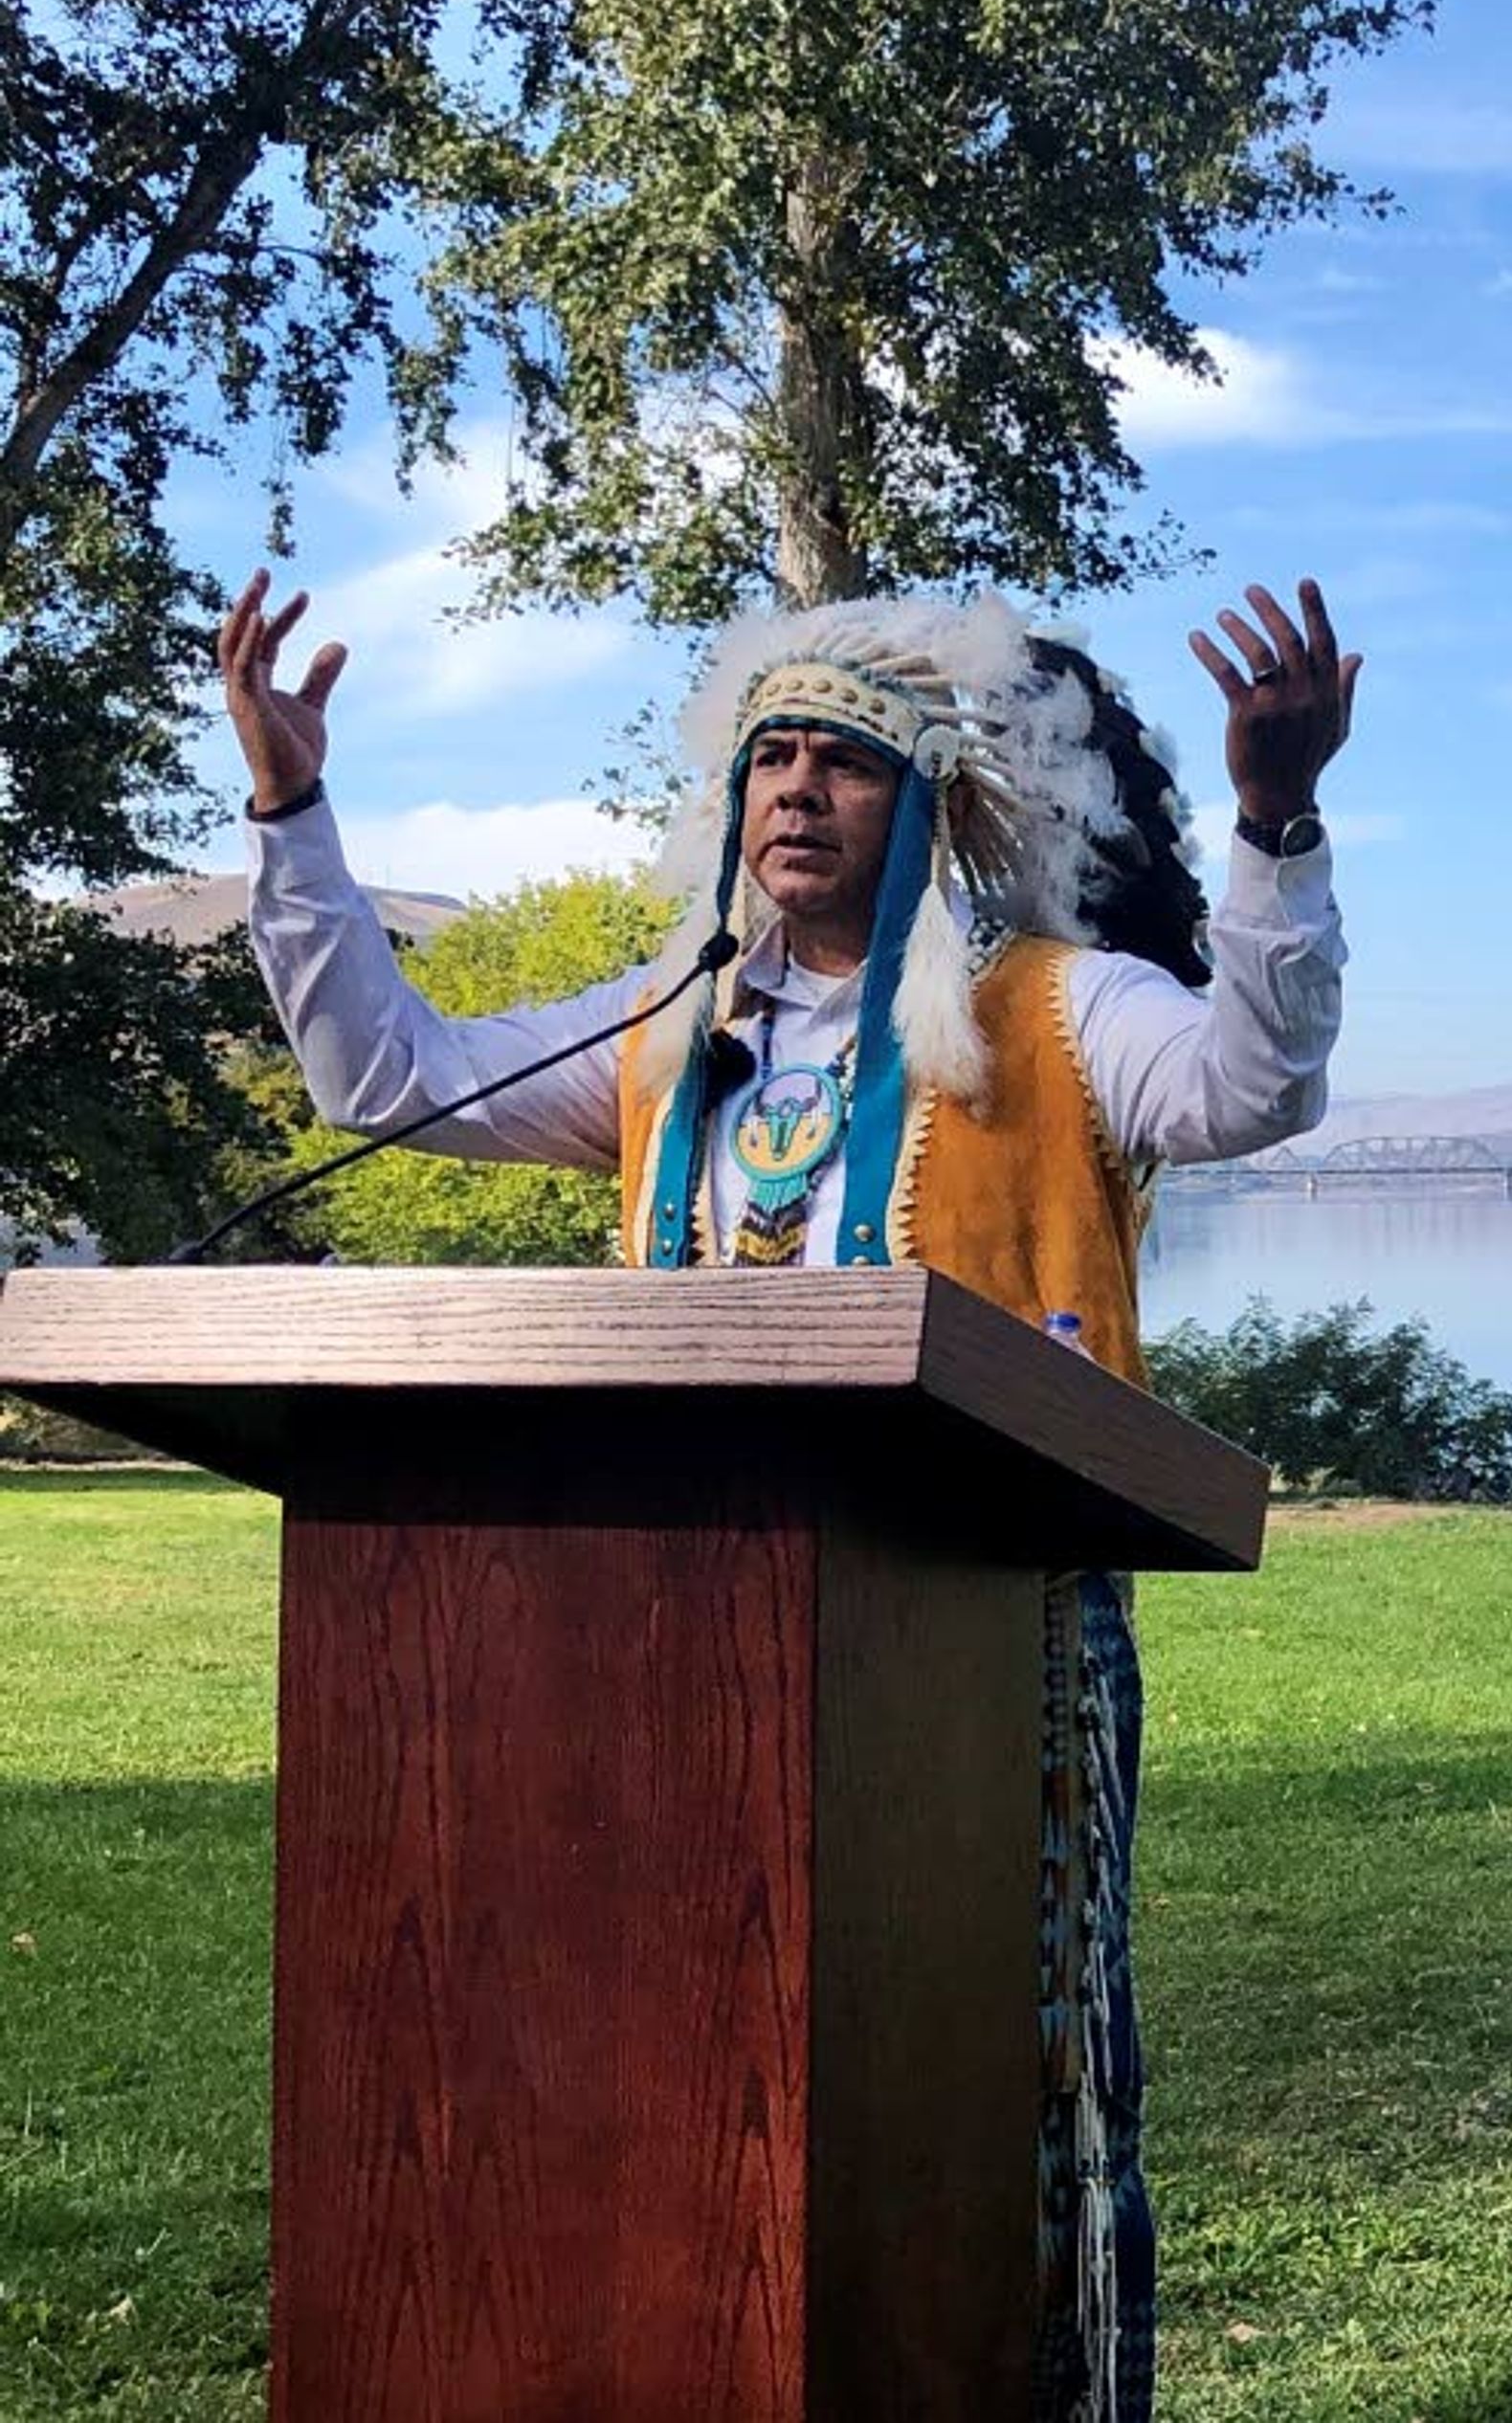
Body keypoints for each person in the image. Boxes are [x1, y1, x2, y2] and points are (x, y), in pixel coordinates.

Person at [219, 567, 1356, 2422]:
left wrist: (1279, 825)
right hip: (683, 1653)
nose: (797, 790)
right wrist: (291, 810)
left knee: (996, 2069)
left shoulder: (1057, 1013)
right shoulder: (677, 1036)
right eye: (773, 758)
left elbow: (1254, 1076)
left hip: (992, 1650)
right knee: (703, 2062)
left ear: (928, 807)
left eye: (843, 760)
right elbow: (387, 1072)